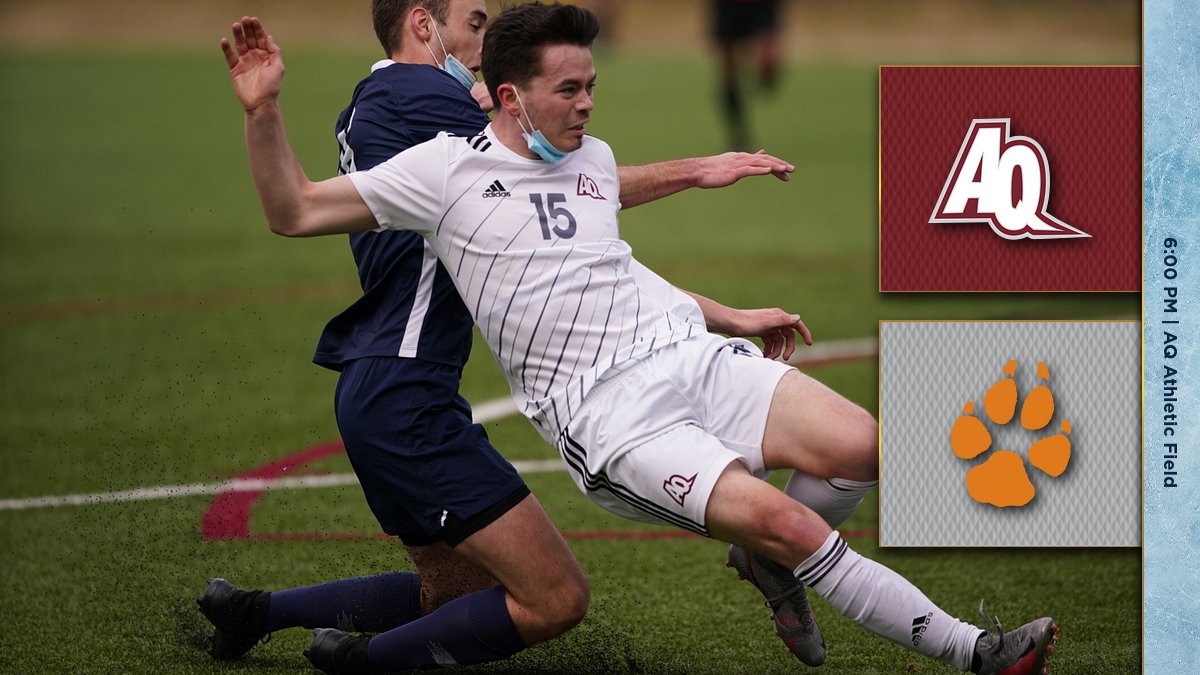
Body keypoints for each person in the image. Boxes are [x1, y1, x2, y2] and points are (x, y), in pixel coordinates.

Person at [221, 4, 1059, 675]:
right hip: (617, 421)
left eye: (591, 86)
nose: (587, 104)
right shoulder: (444, 174)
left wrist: (726, 313)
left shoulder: (591, 160)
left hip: (690, 359)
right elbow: (291, 209)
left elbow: (609, 276)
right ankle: (975, 651)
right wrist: (264, 113)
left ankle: (768, 570)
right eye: (568, 90)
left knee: (862, 446)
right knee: (793, 526)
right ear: (510, 98)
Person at [202, 0, 810, 671]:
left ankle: (255, 613)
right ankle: (360, 660)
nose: (490, 44)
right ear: (421, 24)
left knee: (454, 592)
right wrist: (696, 171)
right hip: (407, 394)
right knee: (551, 596)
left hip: (382, 380)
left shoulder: (372, 101)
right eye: (478, 23)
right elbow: (565, 180)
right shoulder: (425, 94)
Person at [712, 0, 783, 150]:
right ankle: (738, 133)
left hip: (760, 5)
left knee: (768, 61)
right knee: (728, 74)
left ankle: (764, 80)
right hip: (729, 6)